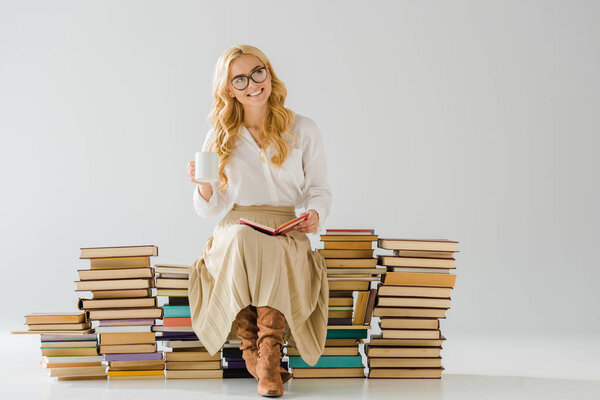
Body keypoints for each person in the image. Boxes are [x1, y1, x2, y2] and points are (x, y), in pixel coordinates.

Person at [186, 44, 332, 397]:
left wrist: (314, 216)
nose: (252, 83)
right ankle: (264, 359)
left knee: (273, 245)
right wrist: (203, 186)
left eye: (258, 72)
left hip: (285, 228)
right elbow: (211, 209)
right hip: (237, 229)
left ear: (269, 73)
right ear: (228, 89)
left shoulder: (303, 128)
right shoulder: (220, 135)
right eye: (240, 78)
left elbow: (319, 190)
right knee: (243, 237)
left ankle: (260, 355)